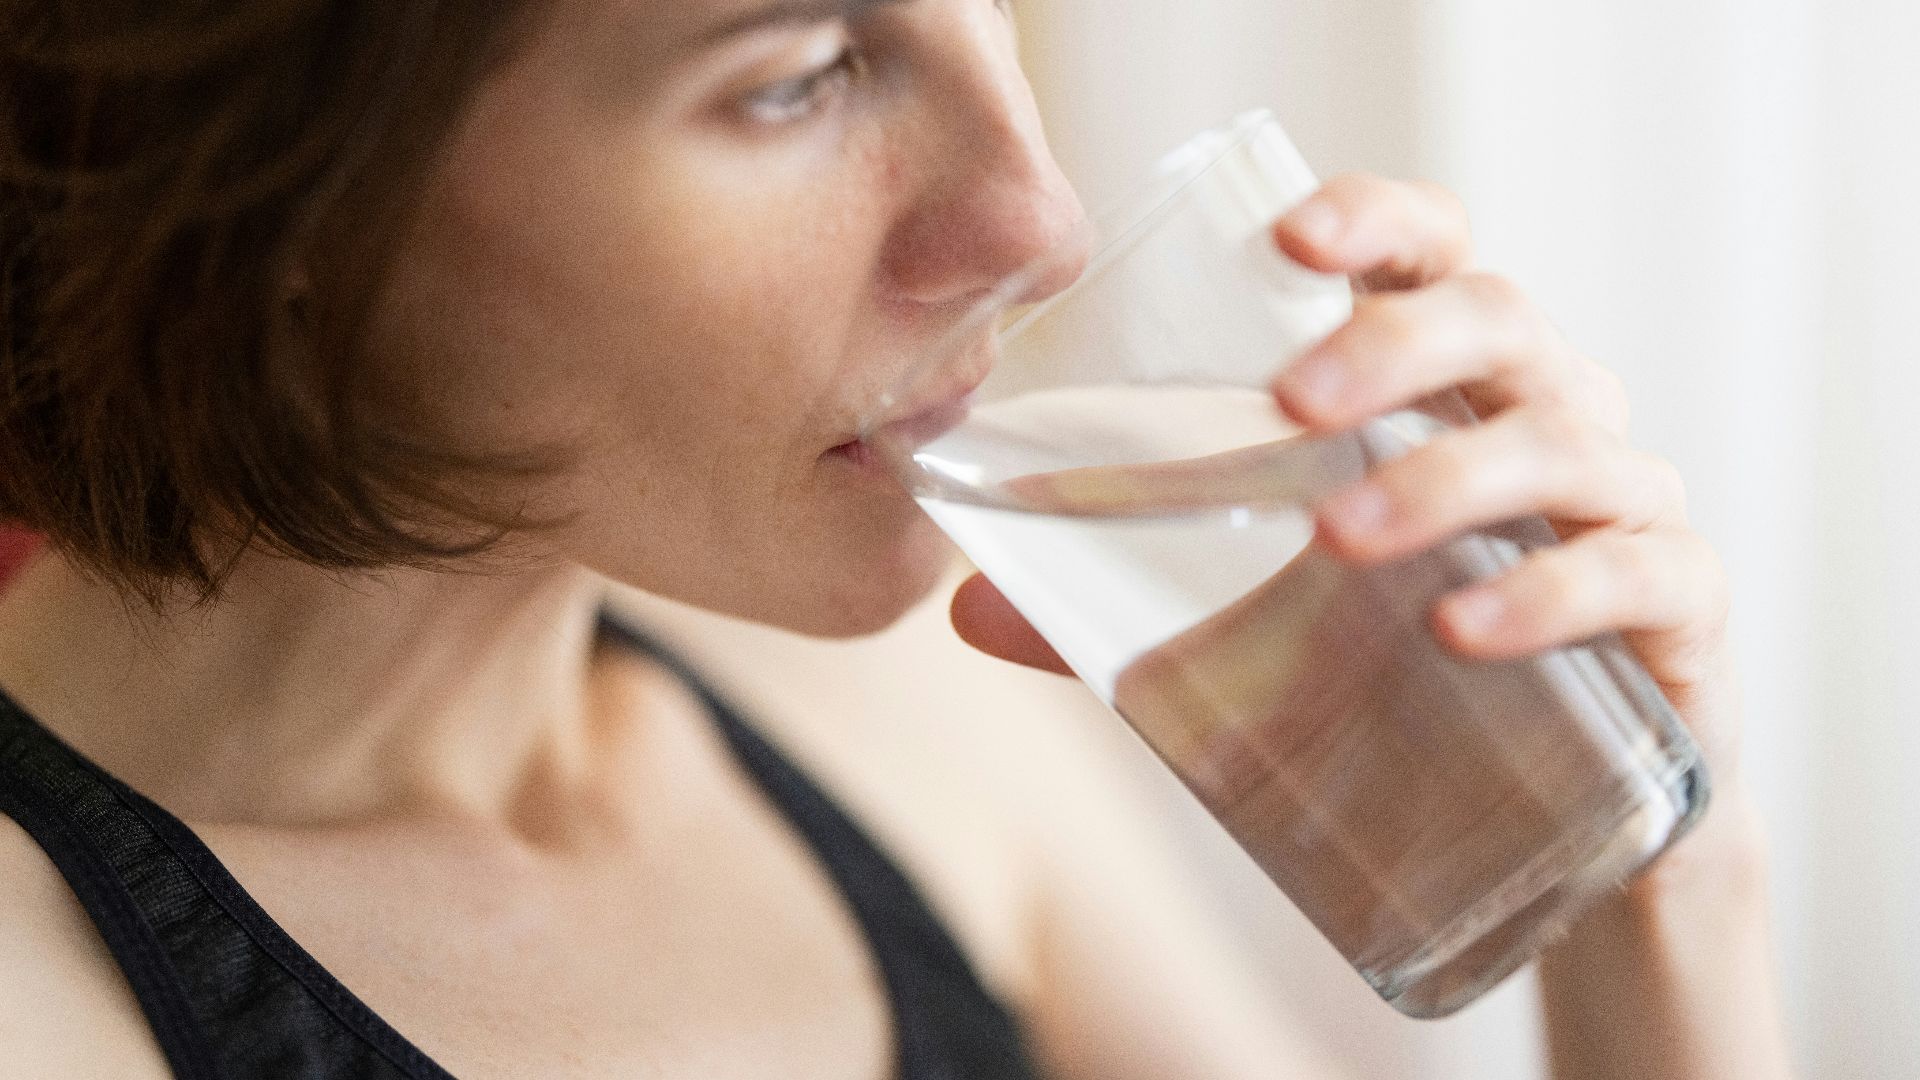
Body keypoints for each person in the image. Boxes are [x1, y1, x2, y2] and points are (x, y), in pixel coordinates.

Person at [0, 2, 1794, 1077]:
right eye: (800, 73)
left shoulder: (899, 716)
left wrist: (1657, 883)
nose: (1040, 221)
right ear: (267, 188)